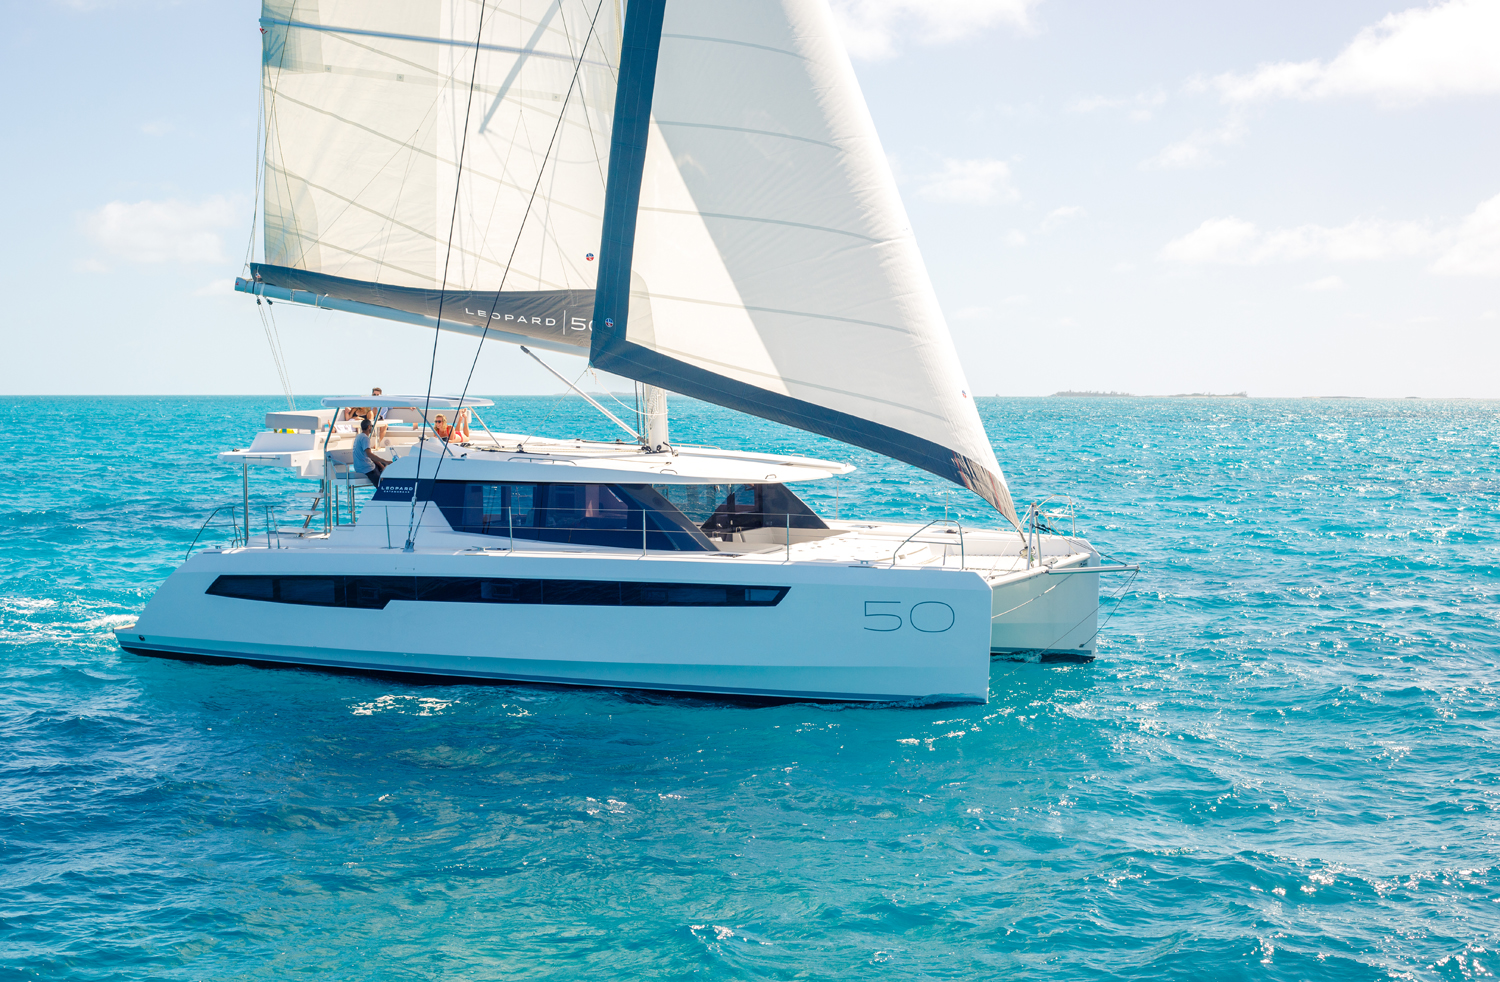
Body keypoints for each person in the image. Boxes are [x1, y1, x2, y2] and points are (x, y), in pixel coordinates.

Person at [351, 418, 387, 482]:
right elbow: (370, 455)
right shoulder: (365, 438)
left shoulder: (359, 436)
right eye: (371, 426)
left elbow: (369, 456)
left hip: (358, 467)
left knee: (383, 465)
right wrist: (385, 461)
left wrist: (382, 465)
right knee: (381, 485)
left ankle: (382, 477)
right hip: (366, 468)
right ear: (368, 427)